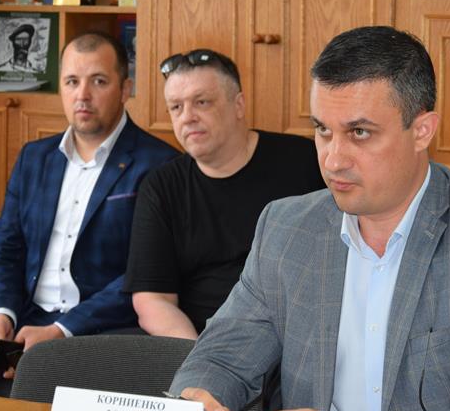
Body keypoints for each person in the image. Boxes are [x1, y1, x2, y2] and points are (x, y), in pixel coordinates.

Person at [169, 26, 450, 411]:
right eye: (322, 130)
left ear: (422, 130)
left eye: (359, 133)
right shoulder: (287, 227)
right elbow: (222, 356)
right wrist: (197, 404)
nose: (333, 159)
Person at [0, 31, 178, 392]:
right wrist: (1, 314)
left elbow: (141, 276)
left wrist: (61, 330)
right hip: (26, 316)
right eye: (72, 82)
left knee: (37, 384)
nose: (83, 95)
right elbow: (5, 250)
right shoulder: (35, 158)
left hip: (99, 328)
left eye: (98, 81)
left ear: (124, 89)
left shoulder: (159, 166)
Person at [122, 49, 323, 338]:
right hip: (198, 338)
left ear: (238, 105)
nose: (187, 117)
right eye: (176, 107)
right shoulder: (161, 186)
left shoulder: (305, 162)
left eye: (201, 102)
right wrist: (198, 356)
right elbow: (152, 299)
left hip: (293, 337)